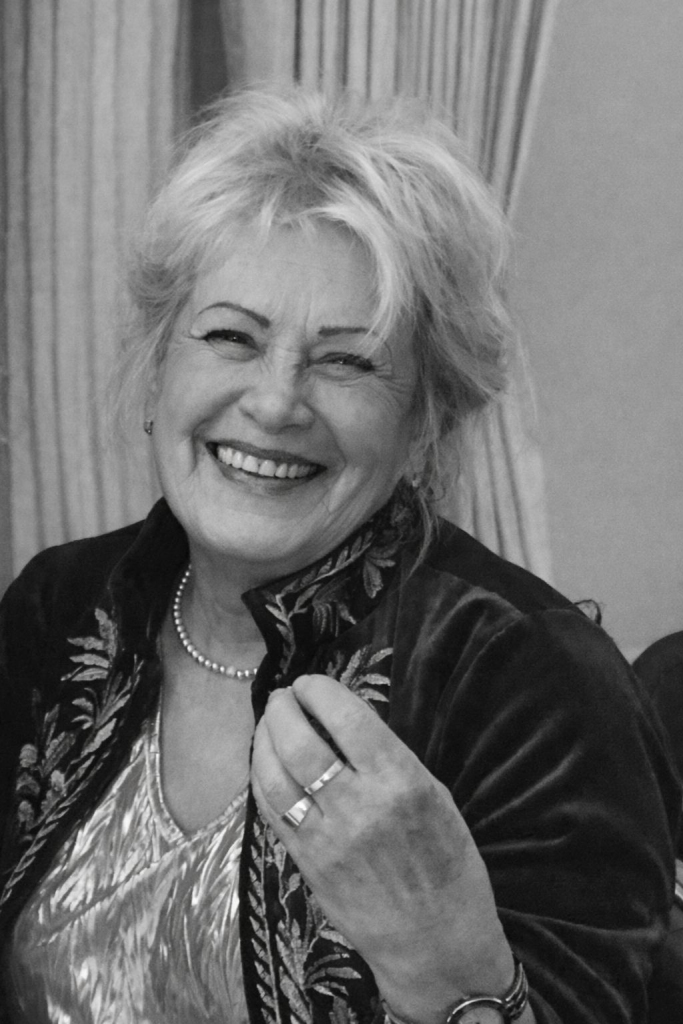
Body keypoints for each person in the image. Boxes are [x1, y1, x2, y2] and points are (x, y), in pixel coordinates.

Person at [0, 89, 678, 1024]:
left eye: (346, 361)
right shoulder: (59, 605)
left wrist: (442, 960)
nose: (275, 403)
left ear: (424, 419)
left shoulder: (526, 677)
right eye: (231, 337)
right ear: (158, 367)